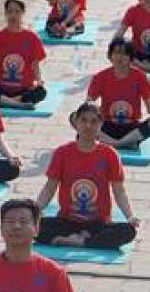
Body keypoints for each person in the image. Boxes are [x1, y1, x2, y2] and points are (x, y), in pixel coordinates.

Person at [34, 102, 141, 250]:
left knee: (128, 231)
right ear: (76, 123)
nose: (88, 126)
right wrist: (36, 209)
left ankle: (77, 241)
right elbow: (49, 188)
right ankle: (85, 240)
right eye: (83, 120)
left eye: (93, 121)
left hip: (97, 223)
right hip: (67, 221)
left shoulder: (109, 154)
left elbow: (119, 191)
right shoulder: (62, 153)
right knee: (32, 227)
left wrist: (130, 216)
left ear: (101, 125)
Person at [87, 37, 150, 147]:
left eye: (125, 54)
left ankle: (118, 143)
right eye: (117, 53)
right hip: (107, 126)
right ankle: (122, 143)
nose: (120, 57)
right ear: (110, 56)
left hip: (131, 128)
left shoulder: (140, 77)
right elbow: (89, 103)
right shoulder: (100, 77)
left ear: (131, 58)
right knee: (76, 118)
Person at [0, 0, 48, 109]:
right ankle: (18, 104)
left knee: (41, 92)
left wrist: (39, 81)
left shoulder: (32, 38)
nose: (13, 15)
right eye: (10, 11)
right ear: (5, 14)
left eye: (17, 11)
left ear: (22, 13)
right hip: (2, 89)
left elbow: (35, 65)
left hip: (23, 90)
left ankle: (8, 101)